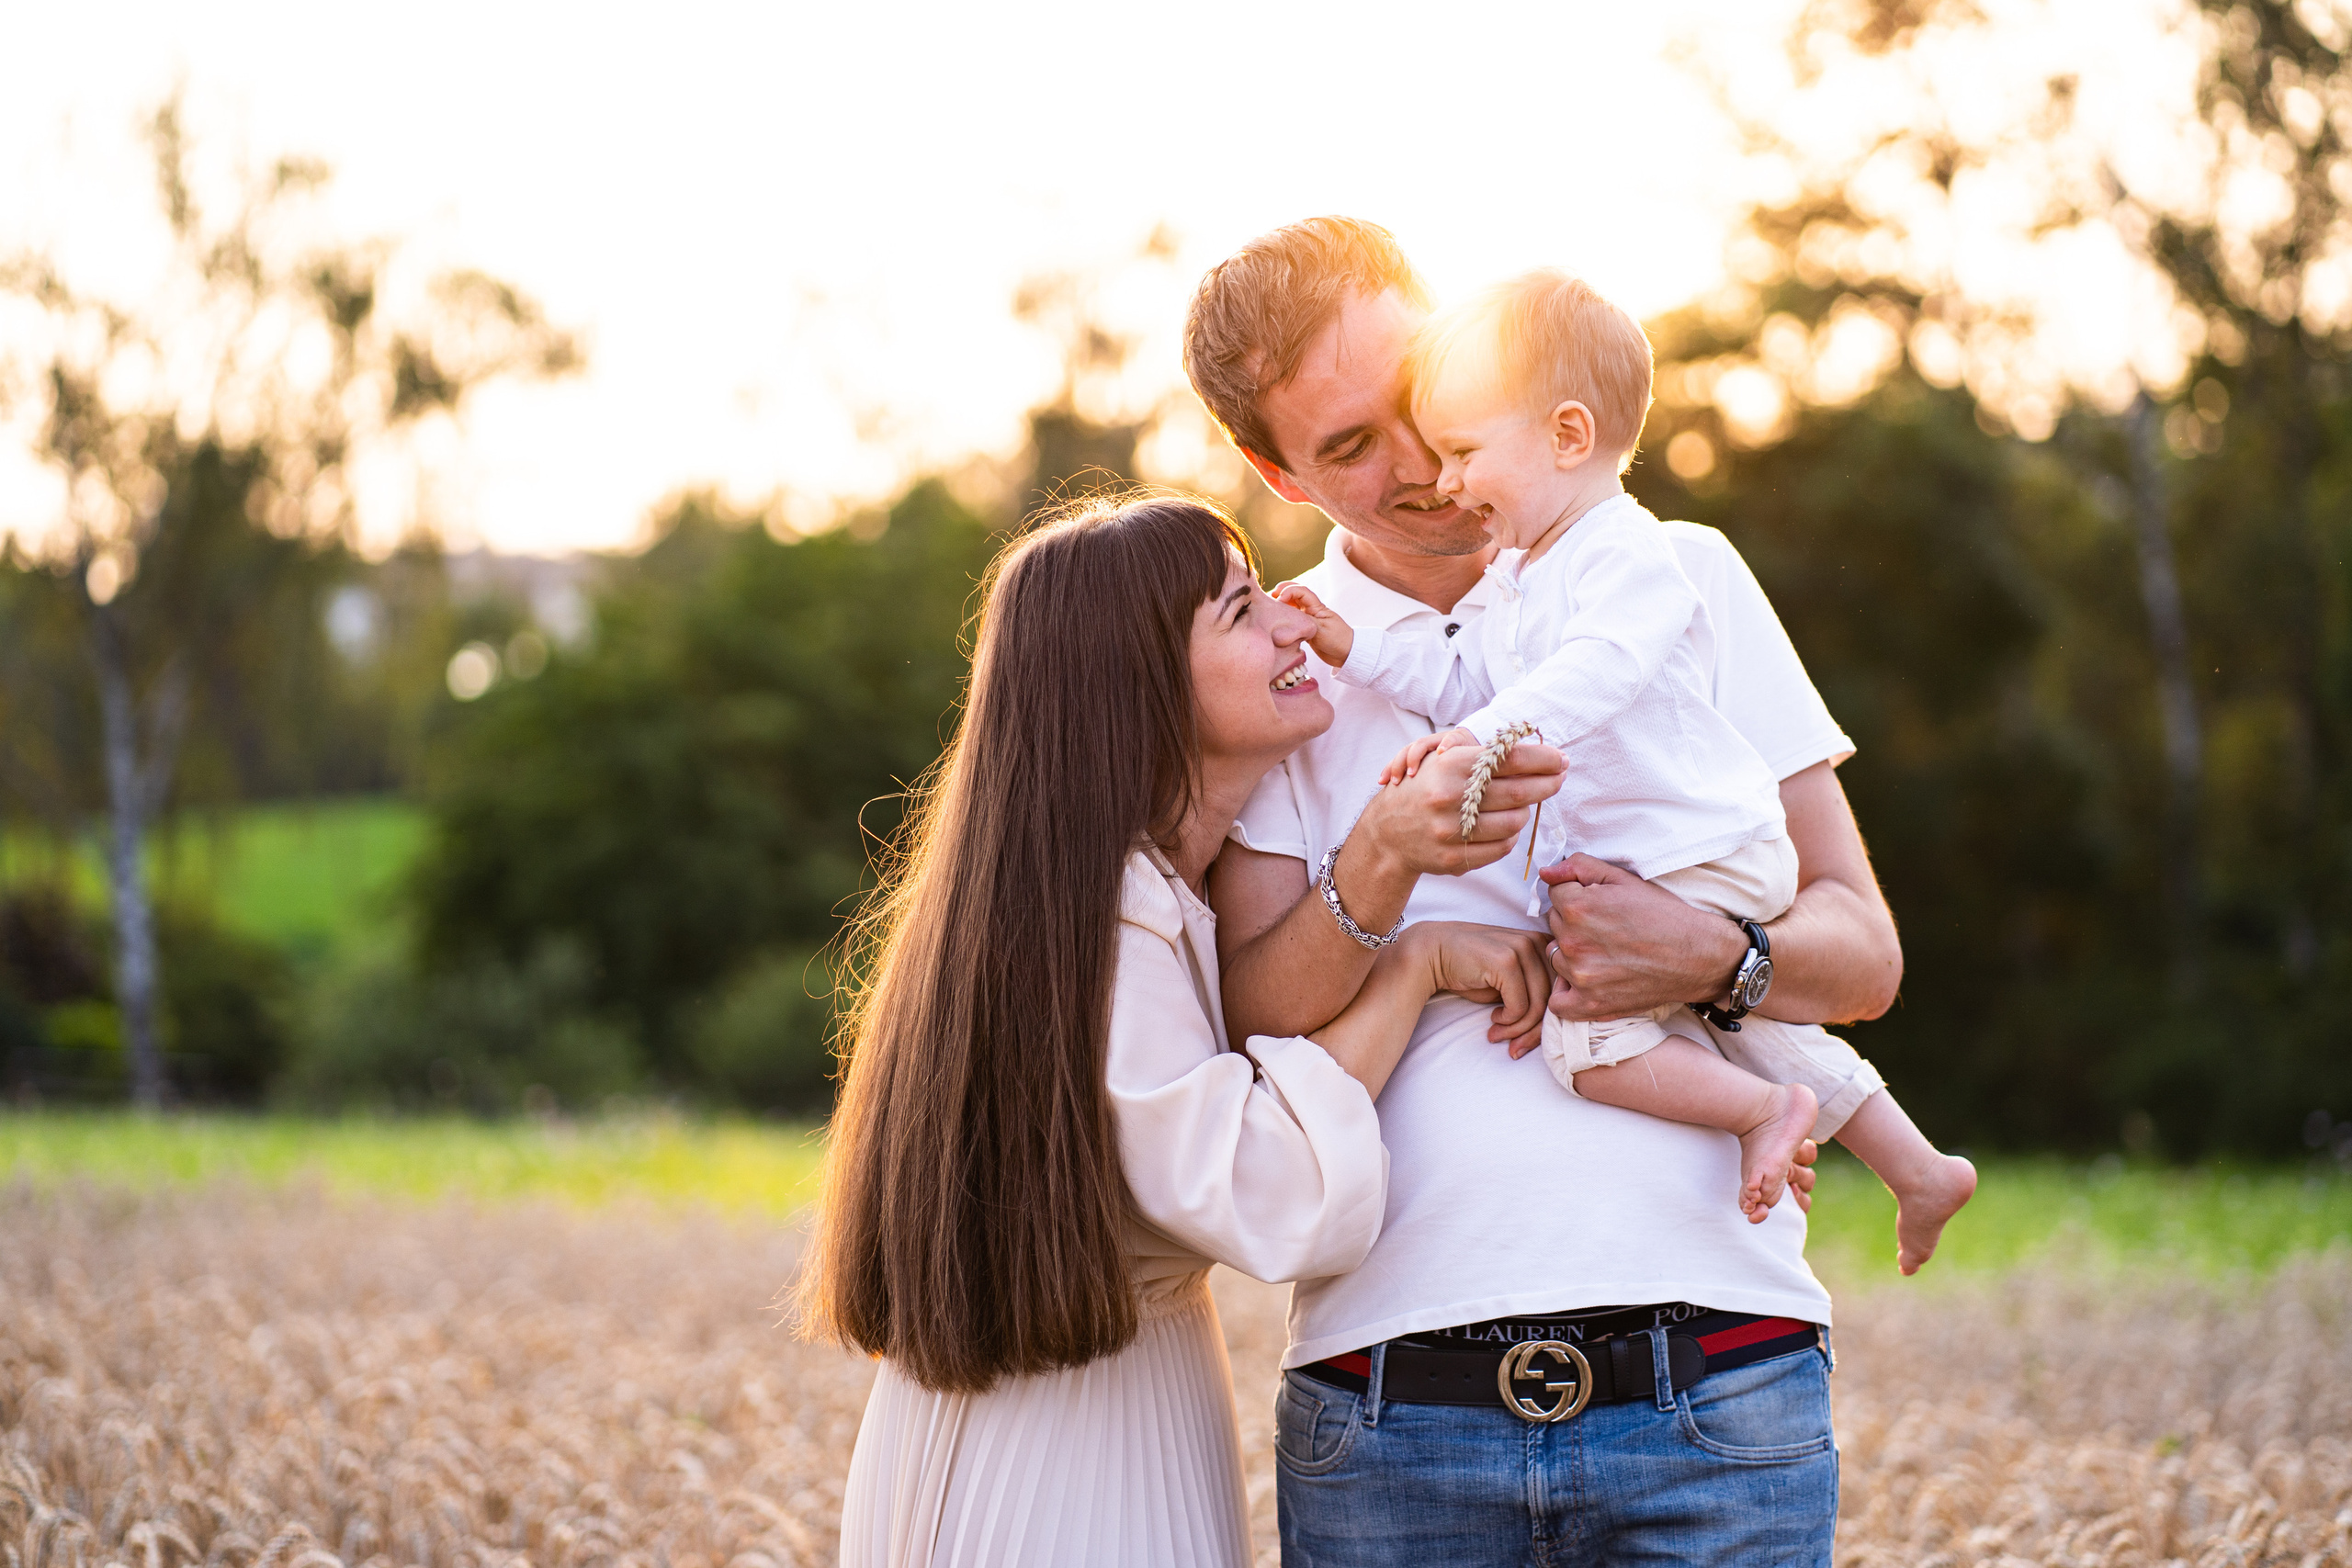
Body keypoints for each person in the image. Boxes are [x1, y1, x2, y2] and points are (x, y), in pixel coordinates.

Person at [1182, 217, 1920, 1565]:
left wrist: (1708, 951)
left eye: (1419, 403)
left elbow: (1862, 949)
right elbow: (1251, 1024)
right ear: (1268, 467)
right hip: (1390, 1404)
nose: (1420, 468)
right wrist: (1387, 855)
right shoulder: (1275, 659)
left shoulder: (1679, 571)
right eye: (1349, 445)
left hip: (1717, 1371)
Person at [804, 492, 1567, 1568]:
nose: (1296, 623)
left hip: (1078, 1420)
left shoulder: (1103, 893)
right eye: (1244, 609)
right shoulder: (1114, 908)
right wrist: (1413, 966)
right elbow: (1267, 1190)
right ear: (1143, 681)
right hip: (1063, 1471)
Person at [1275, 267, 1976, 1243]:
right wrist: (1350, 647)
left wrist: (1485, 736)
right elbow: (1463, 679)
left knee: (1584, 1038)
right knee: (1761, 1026)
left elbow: (1597, 671)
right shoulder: (1532, 577)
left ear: (1566, 436)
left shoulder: (1632, 556)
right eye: (1369, 445)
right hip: (1672, 858)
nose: (1444, 480)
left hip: (1689, 848)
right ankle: (1917, 1167)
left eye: (1464, 450)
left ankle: (1758, 1116)